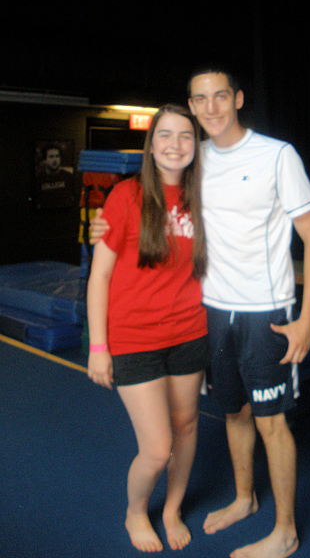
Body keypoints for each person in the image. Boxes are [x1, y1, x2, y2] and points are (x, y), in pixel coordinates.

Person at [91, 67, 310, 558]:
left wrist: (307, 318)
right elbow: (136, 218)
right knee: (232, 413)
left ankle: (285, 531)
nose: (211, 107)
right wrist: (103, 225)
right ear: (192, 107)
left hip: (262, 312)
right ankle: (243, 497)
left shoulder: (275, 155)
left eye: (220, 96)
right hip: (212, 313)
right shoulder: (190, 164)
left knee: (268, 423)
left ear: (237, 99)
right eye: (200, 99)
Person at [86, 104, 208, 553]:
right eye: (165, 135)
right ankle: (136, 510)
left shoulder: (204, 199)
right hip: (134, 338)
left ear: (196, 146)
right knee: (157, 448)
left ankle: (172, 508)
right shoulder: (126, 195)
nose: (175, 144)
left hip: (189, 333)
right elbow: (100, 275)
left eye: (185, 136)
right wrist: (98, 346)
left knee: (187, 426)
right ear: (151, 144)